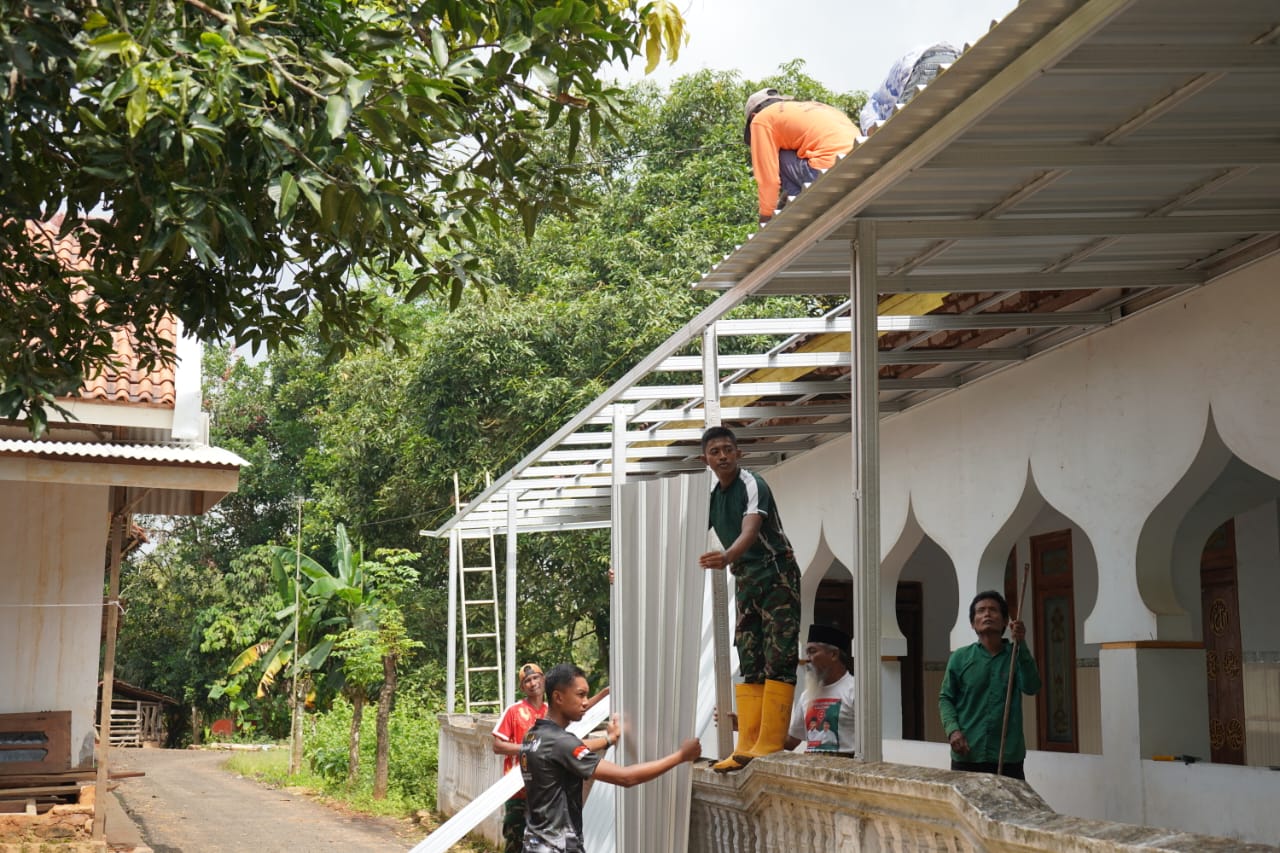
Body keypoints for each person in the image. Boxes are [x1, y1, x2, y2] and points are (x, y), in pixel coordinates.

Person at [699, 425, 801, 773]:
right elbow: (682, 540)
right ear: (706, 459)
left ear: (738, 453)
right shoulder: (713, 497)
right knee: (749, 654)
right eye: (716, 451)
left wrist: (726, 557)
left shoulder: (752, 484)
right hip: (746, 580)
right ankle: (747, 743)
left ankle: (770, 741)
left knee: (780, 652)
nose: (723, 456)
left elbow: (751, 528)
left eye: (728, 449)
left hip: (776, 575)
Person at [519, 663, 701, 853]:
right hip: (557, 847)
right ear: (558, 697)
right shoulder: (562, 742)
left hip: (533, 843)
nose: (586, 702)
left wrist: (608, 739)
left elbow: (569, 749)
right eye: (580, 694)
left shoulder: (533, 736)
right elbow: (625, 777)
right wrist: (681, 756)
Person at [493, 663, 609, 852]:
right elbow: (497, 745)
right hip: (520, 791)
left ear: (544, 680)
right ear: (522, 688)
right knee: (516, 841)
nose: (532, 683)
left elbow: (579, 710)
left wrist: (604, 697)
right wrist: (532, 749)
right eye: (527, 681)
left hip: (547, 793)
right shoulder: (515, 711)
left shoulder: (552, 709)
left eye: (536, 678)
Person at [938, 590, 1042, 779]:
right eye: (980, 611)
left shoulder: (1016, 656)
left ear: (1005, 622)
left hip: (1007, 757)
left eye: (993, 610)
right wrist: (953, 731)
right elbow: (945, 698)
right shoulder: (960, 658)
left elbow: (1032, 687)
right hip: (968, 754)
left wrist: (1022, 644)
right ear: (972, 623)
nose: (986, 614)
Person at [743, 87, 858, 224]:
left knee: (779, 156)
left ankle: (797, 209)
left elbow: (768, 180)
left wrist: (765, 219)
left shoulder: (761, 119)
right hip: (861, 164)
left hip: (828, 168)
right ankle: (792, 200)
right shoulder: (812, 107)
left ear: (753, 116)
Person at [785, 623, 857, 754]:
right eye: (807, 653)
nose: (807, 659)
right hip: (811, 771)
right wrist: (750, 728)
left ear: (834, 654)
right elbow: (791, 742)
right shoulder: (807, 695)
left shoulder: (855, 690)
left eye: (812, 651)